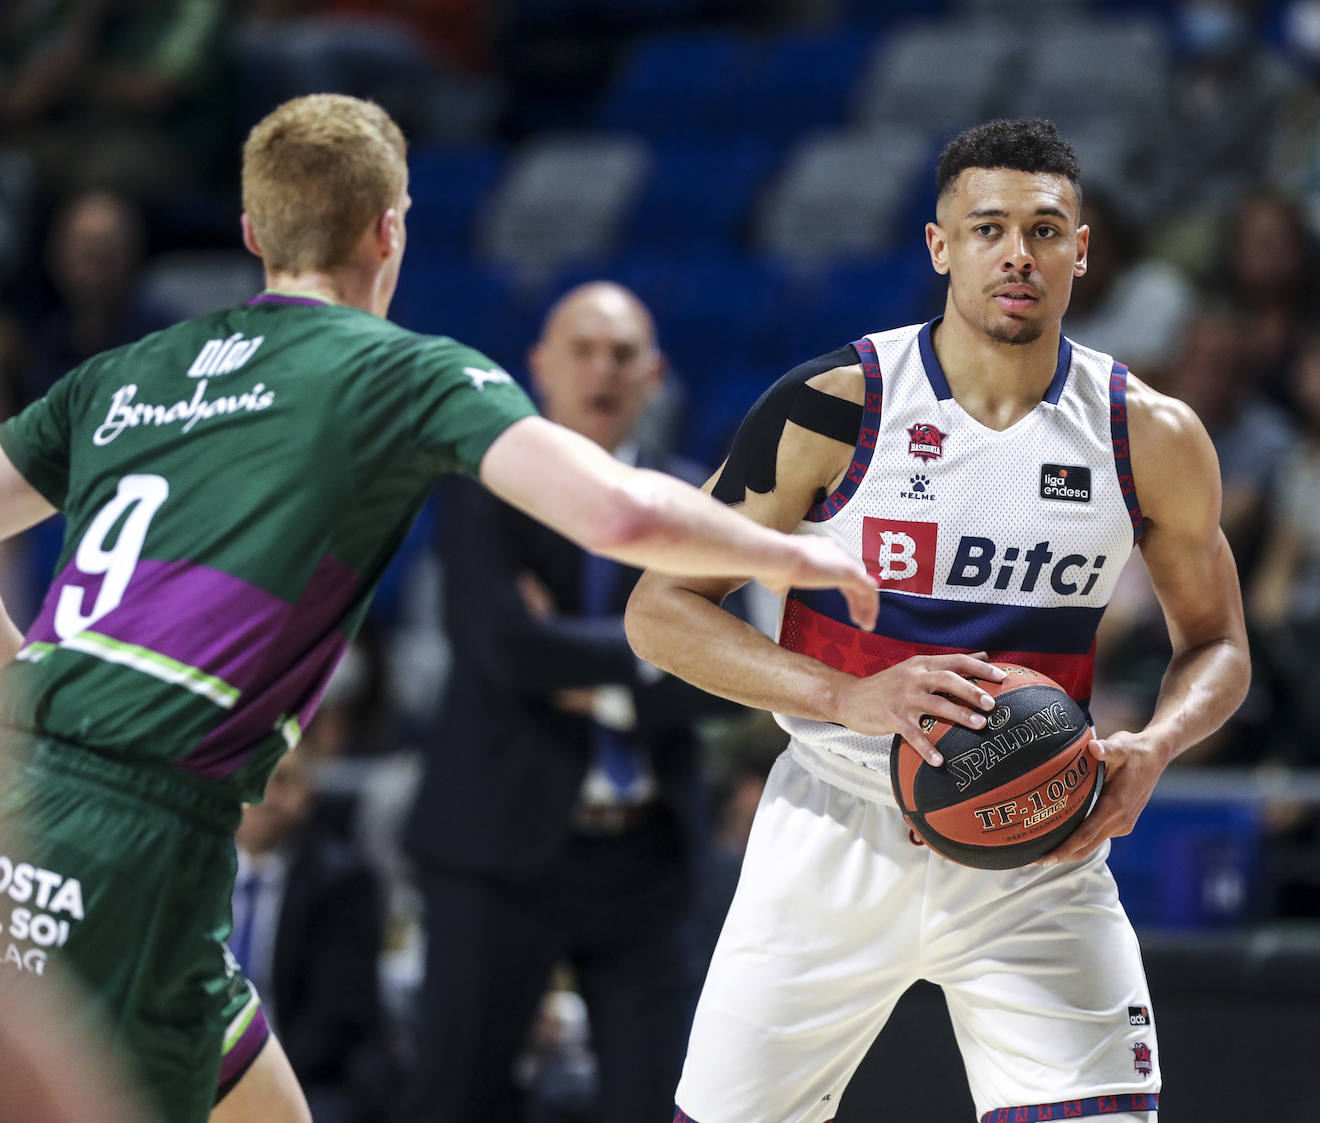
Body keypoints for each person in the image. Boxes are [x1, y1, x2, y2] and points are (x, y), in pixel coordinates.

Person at [0, 93, 877, 1123]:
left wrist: (23, 681)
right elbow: (617, 510)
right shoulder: (399, 372)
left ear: (251, 232)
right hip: (131, 833)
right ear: (390, 229)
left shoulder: (125, 372)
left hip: (94, 814)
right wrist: (787, 550)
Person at [626, 118, 1251, 1123]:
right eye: (989, 227)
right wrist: (847, 695)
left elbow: (1218, 644)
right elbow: (659, 610)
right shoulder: (834, 406)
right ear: (940, 246)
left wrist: (1160, 742)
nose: (1018, 254)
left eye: (1046, 230)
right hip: (836, 822)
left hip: (1038, 837)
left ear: (1082, 252)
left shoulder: (1151, 435)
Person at [401, 281, 738, 1123]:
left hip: (648, 862)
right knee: (457, 1101)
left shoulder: (697, 503)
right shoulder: (488, 486)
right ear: (539, 367)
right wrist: (657, 653)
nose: (602, 370)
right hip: (496, 854)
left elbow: (725, 678)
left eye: (623, 354)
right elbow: (506, 648)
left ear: (654, 374)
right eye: (582, 351)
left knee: (660, 1105)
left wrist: (588, 677)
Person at [232, 744, 398, 1123]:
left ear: (310, 794)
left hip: (300, 1074)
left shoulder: (344, 882)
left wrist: (255, 1078)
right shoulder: (188, 873)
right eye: (253, 778)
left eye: (284, 781)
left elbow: (336, 1015)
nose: (265, 796)